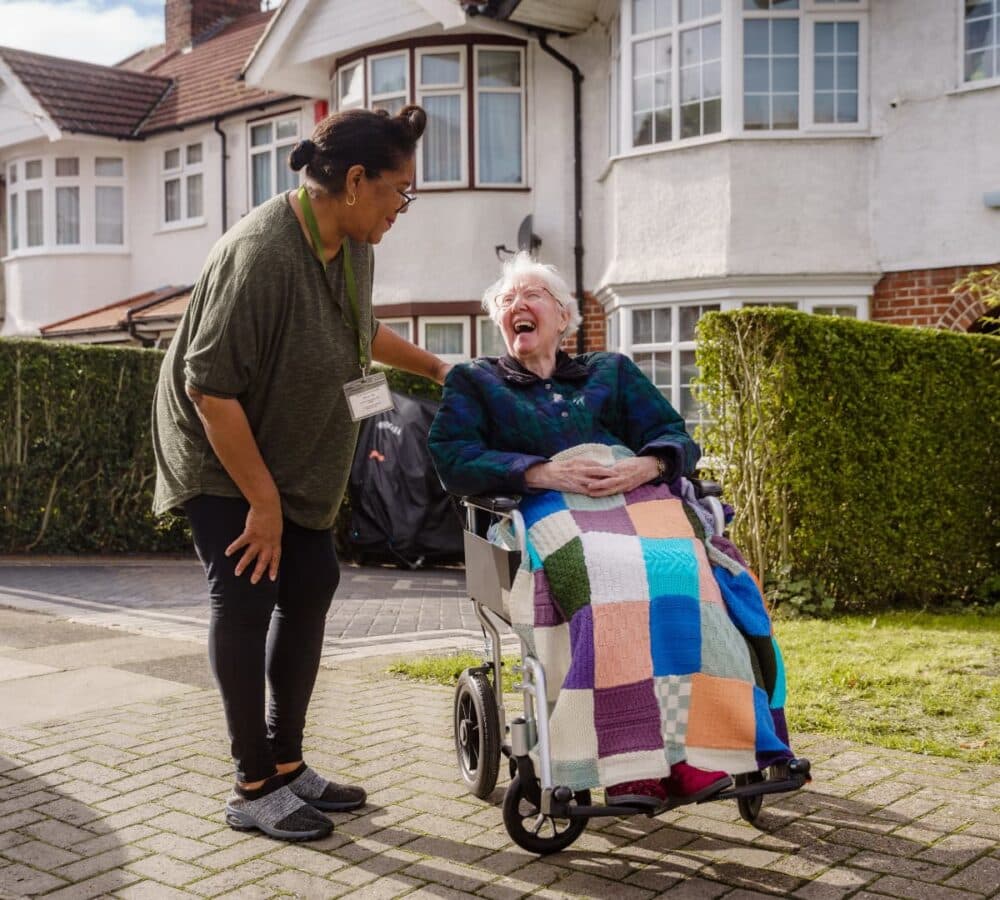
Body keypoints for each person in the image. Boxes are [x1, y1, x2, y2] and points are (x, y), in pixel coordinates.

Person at [152, 105, 450, 842]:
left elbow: (359, 334)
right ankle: (252, 785)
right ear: (355, 182)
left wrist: (442, 369)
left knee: (312, 580)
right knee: (248, 592)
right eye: (400, 192)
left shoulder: (354, 247)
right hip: (218, 447)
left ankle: (288, 764)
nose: (402, 209)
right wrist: (262, 503)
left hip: (287, 443)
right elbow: (209, 388)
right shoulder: (260, 254)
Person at [428, 252, 790, 808]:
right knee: (608, 587)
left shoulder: (612, 371)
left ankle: (697, 752)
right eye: (506, 301)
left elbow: (674, 434)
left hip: (637, 499)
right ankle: (628, 763)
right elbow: (452, 457)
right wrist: (537, 469)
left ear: (564, 316)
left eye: (533, 296)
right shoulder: (475, 382)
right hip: (546, 508)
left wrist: (647, 465)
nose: (517, 306)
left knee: (686, 576)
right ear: (499, 322)